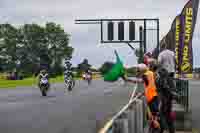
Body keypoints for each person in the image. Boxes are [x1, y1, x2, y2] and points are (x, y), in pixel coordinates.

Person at [124, 64, 160, 128]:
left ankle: (156, 126)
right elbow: (155, 79)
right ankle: (156, 125)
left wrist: (127, 79)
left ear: (141, 70)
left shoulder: (145, 75)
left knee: (152, 116)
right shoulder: (151, 73)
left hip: (150, 97)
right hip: (155, 95)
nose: (138, 71)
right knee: (155, 114)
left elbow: (139, 81)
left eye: (138, 70)